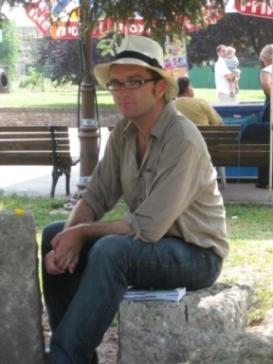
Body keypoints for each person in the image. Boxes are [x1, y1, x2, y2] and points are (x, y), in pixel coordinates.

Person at [42, 35, 228, 364]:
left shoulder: (181, 137)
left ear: (159, 87)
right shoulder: (123, 133)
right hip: (149, 247)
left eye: (134, 81)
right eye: (115, 84)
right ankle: (74, 354)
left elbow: (148, 226)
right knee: (54, 234)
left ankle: (64, 357)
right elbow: (96, 195)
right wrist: (68, 237)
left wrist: (82, 233)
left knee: (111, 250)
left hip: (196, 254)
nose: (122, 91)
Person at [256, 44, 273, 188]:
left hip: (270, 110)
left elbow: (266, 85)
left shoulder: (266, 70)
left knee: (265, 144)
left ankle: (264, 179)